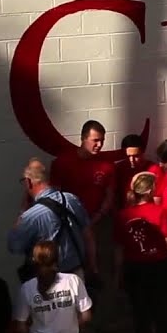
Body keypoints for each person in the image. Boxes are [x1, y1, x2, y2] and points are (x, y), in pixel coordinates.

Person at [114, 172, 167, 333]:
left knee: (141, 319)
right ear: (151, 191)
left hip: (134, 268)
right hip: (159, 267)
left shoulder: (123, 215)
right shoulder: (159, 212)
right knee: (163, 317)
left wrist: (118, 273)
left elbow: (119, 248)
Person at [49, 120, 115, 288]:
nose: (99, 145)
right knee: (74, 269)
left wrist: (98, 216)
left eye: (102, 140)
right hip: (71, 226)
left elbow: (109, 195)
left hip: (98, 223)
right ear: (83, 138)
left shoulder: (106, 165)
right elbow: (55, 195)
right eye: (95, 140)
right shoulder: (63, 163)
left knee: (100, 268)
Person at [9, 158, 98, 281]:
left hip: (47, 280)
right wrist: (92, 267)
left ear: (28, 182)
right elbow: (88, 235)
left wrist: (22, 212)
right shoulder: (71, 199)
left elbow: (14, 246)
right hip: (76, 275)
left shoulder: (30, 216)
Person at [114, 134, 153, 208]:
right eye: (128, 156)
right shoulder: (118, 168)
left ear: (143, 153)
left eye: (136, 156)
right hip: (125, 212)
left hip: (146, 211)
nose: (131, 160)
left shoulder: (152, 168)